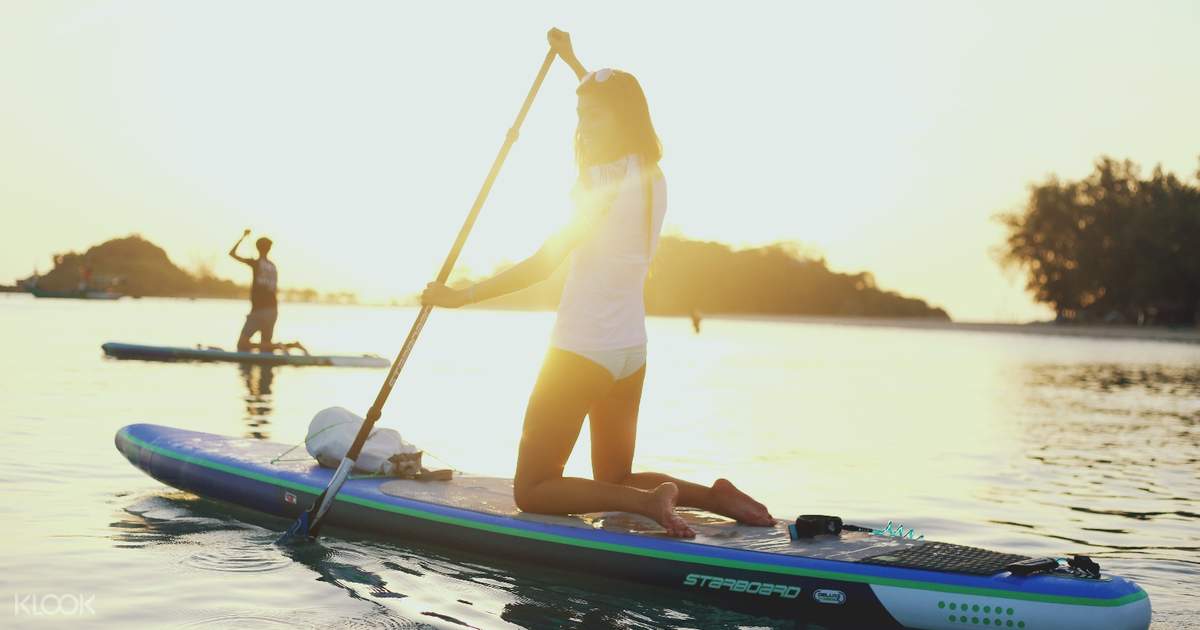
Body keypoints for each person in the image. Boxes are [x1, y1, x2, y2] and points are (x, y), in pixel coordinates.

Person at [421, 29, 773, 538]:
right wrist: (571, 60)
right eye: (580, 115)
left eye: (593, 117)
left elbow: (543, 264)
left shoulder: (598, 184)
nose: (583, 126)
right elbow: (604, 92)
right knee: (615, 477)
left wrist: (460, 297)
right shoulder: (651, 172)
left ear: (621, 118)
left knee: (535, 489)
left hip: (581, 349)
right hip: (630, 350)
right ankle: (714, 497)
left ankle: (653, 503)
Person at [228, 230, 301, 353]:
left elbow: (232, 254)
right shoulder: (273, 266)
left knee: (242, 344)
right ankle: (292, 345)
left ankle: (278, 346)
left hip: (258, 310)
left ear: (258, 248)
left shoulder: (256, 263)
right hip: (273, 310)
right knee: (265, 348)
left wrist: (243, 237)